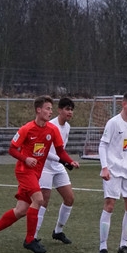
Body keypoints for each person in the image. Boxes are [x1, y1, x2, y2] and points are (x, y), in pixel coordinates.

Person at [0, 96, 79, 253]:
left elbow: (60, 151)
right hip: (24, 171)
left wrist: (70, 161)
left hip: (36, 172)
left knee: (21, 210)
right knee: (39, 200)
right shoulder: (26, 129)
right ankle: (29, 240)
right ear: (38, 110)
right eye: (47, 108)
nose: (50, 112)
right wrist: (25, 159)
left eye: (51, 109)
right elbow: (12, 149)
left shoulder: (52, 129)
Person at [97, 91, 127, 253]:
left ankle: (123, 245)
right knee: (110, 205)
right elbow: (103, 146)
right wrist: (104, 167)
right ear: (124, 104)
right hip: (113, 170)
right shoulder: (113, 123)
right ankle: (103, 246)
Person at [34, 96, 77, 245]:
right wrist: (64, 161)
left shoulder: (67, 127)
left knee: (69, 198)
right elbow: (45, 152)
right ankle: (33, 236)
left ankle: (58, 231)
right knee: (43, 201)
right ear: (59, 110)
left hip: (58, 166)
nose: (70, 112)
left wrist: (68, 161)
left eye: (71, 110)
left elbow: (60, 150)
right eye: (67, 109)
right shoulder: (50, 126)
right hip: (45, 167)